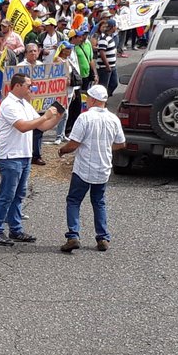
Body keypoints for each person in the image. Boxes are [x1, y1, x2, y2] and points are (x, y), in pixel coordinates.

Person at [0, 73, 63, 246]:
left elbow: (41, 126)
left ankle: (15, 228)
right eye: (28, 85)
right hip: (10, 156)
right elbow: (22, 126)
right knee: (7, 195)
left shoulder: (25, 104)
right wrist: (45, 116)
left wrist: (57, 116)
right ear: (17, 86)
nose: (32, 88)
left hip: (24, 155)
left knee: (19, 194)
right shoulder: (8, 105)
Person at [57, 84, 126, 252]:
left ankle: (73, 235)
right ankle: (102, 237)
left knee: (74, 200)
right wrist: (105, 148)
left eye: (88, 97)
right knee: (99, 201)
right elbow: (121, 143)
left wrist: (62, 151)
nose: (86, 100)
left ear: (94, 99)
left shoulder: (85, 118)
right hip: (103, 168)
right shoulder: (113, 119)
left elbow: (74, 144)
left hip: (83, 168)